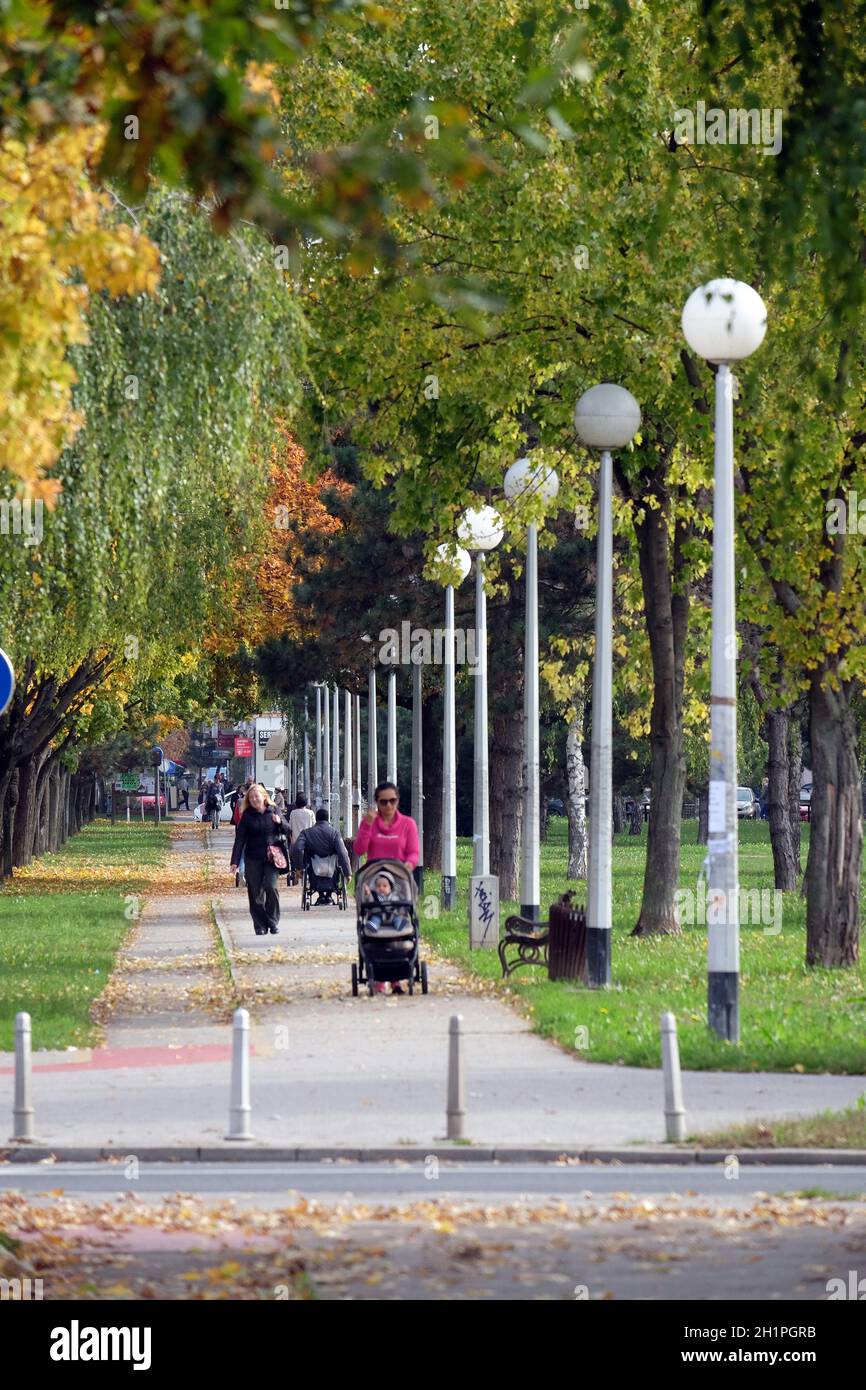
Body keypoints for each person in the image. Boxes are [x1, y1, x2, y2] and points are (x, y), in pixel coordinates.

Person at [353, 781, 420, 992]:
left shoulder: (408, 824)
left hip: (399, 880)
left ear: (398, 801)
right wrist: (366, 825)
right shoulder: (370, 822)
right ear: (377, 802)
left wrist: (407, 867)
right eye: (383, 802)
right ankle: (379, 978)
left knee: (400, 925)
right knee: (374, 921)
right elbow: (359, 848)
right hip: (375, 878)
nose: (388, 806)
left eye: (393, 801)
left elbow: (413, 853)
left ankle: (398, 978)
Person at [229, 784, 292, 936]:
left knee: (271, 887)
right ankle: (260, 925)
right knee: (255, 892)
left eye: (256, 796)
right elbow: (240, 840)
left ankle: (273, 921)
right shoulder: (247, 816)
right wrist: (235, 862)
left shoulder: (274, 810)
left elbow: (288, 830)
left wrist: (280, 822)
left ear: (264, 796)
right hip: (253, 857)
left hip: (272, 857)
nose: (254, 799)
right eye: (251, 798)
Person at [294, 808, 351, 905]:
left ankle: (321, 896)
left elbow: (298, 848)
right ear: (327, 819)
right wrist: (347, 872)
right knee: (334, 863)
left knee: (312, 865)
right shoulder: (335, 833)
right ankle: (328, 896)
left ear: (316, 819)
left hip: (313, 869)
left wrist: (299, 868)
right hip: (332, 869)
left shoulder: (306, 833)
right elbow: (342, 852)